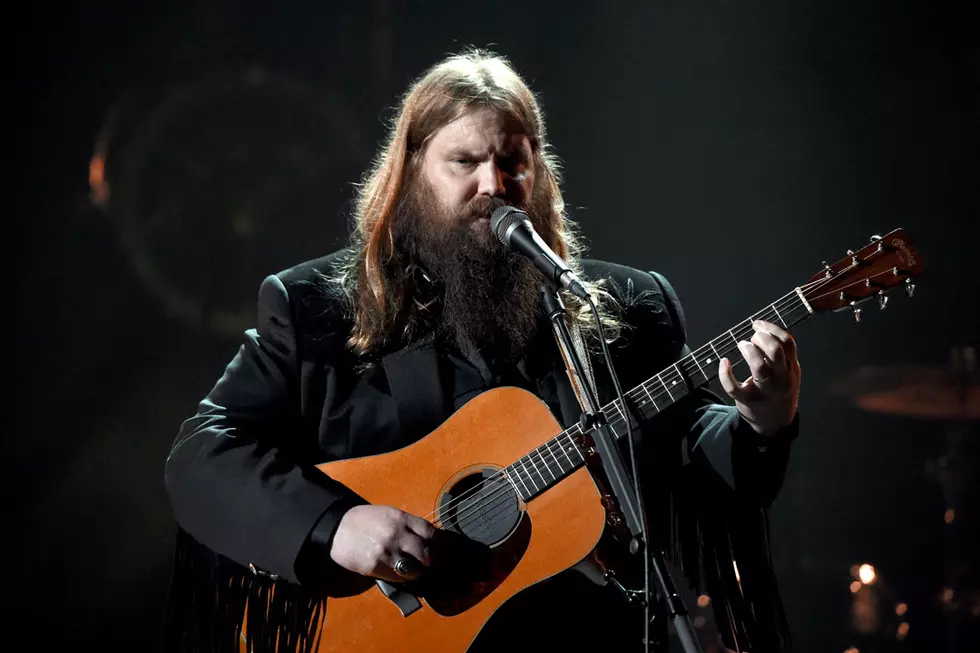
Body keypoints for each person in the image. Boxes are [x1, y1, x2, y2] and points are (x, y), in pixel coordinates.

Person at [162, 48, 802, 653]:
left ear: (538, 172)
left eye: (511, 163)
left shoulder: (624, 305)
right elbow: (203, 453)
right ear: (413, 170)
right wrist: (336, 526)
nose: (492, 184)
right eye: (463, 162)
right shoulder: (316, 308)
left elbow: (689, 452)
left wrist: (762, 420)